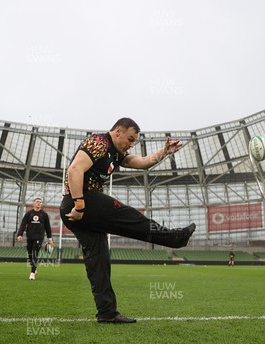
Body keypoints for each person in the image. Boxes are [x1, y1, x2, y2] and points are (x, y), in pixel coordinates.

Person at [60, 117, 196, 324]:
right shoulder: (99, 143)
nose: (131, 144)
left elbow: (140, 163)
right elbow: (74, 170)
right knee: (128, 216)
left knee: (99, 261)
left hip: (81, 210)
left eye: (134, 142)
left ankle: (106, 312)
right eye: (130, 139)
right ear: (117, 132)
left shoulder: (116, 153)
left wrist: (164, 152)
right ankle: (175, 238)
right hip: (81, 201)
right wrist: (79, 205)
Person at [17, 198, 54, 280]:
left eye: (40, 202)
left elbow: (48, 227)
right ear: (34, 203)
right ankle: (35, 269)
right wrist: (20, 234)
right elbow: (23, 224)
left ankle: (32, 273)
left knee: (34, 253)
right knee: (30, 254)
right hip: (29, 237)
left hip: (39, 237)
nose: (39, 203)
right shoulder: (29, 214)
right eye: (37, 202)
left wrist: (50, 238)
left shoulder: (44, 214)